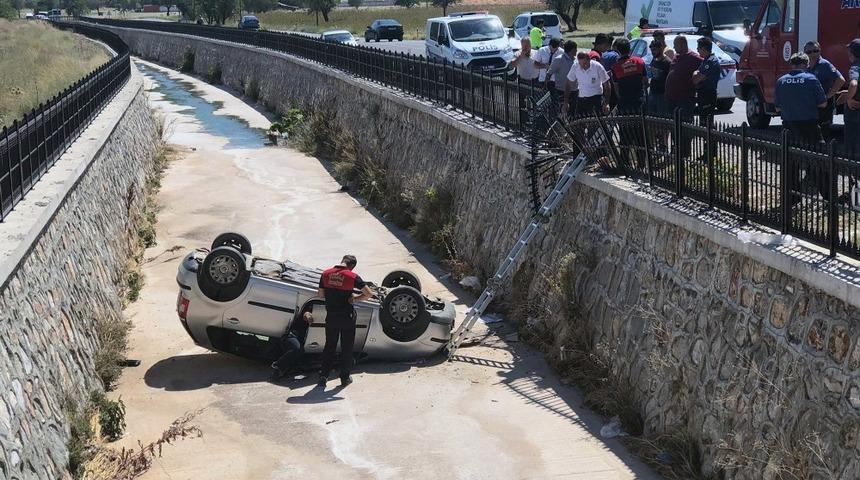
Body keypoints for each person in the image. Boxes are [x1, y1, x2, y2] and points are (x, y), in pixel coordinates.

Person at [775, 53, 828, 205]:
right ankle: (828, 196)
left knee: (791, 164)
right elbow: (823, 103)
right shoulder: (811, 79)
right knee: (818, 161)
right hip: (809, 126)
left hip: (789, 127)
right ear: (806, 64)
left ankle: (792, 198)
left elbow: (777, 107)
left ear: (791, 64)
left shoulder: (781, 81)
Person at [317, 255, 373, 387]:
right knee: (346, 348)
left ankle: (323, 376)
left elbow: (320, 294)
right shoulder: (352, 276)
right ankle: (344, 378)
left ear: (342, 261)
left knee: (329, 346)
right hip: (347, 317)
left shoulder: (325, 274)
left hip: (331, 317)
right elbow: (369, 294)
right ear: (352, 266)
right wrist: (355, 299)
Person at [804, 41, 846, 140]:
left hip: (823, 105)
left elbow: (840, 80)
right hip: (810, 104)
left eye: (815, 51)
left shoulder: (825, 65)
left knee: (823, 132)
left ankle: (824, 149)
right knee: (809, 131)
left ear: (820, 51)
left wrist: (828, 96)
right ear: (805, 53)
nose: (813, 54)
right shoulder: (805, 66)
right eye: (809, 52)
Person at [664, 35, 702, 122]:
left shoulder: (694, 58)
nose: (674, 47)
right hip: (671, 99)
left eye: (675, 45)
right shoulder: (676, 56)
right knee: (673, 125)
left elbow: (706, 68)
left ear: (683, 45)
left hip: (685, 100)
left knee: (685, 125)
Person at [563, 51, 610, 117]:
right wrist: (566, 102)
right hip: (582, 99)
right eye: (580, 64)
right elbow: (568, 84)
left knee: (597, 120)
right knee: (580, 120)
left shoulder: (597, 67)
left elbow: (607, 85)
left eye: (585, 63)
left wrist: (607, 103)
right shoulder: (575, 66)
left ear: (589, 60)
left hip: (596, 98)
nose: (583, 66)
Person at [270, 310, 313, 380]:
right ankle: (276, 366)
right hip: (290, 336)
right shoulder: (303, 314)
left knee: (301, 351)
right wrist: (309, 318)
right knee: (297, 349)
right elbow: (306, 314)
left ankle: (283, 372)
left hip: (295, 339)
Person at [610, 38, 647, 113]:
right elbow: (645, 80)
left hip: (624, 101)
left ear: (618, 51)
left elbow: (616, 87)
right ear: (630, 49)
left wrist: (620, 98)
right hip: (639, 99)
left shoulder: (615, 67)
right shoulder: (639, 61)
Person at [692, 36, 720, 123]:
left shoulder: (710, 62)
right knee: (703, 120)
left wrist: (695, 73)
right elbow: (697, 74)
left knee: (706, 122)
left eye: (698, 48)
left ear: (703, 49)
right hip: (703, 94)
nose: (697, 50)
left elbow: (696, 79)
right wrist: (696, 73)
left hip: (708, 94)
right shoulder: (706, 60)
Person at [547, 40, 578, 115]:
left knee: (573, 113)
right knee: (562, 113)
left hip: (574, 91)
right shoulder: (559, 59)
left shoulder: (576, 61)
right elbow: (549, 73)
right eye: (575, 49)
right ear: (572, 50)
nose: (577, 51)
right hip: (561, 91)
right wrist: (546, 86)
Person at [843, 39, 860, 160]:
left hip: (855, 112)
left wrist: (849, 98)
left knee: (853, 143)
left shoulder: (855, 67)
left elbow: (854, 84)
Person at [647, 41, 671, 117]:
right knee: (652, 118)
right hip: (653, 93)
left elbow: (670, 80)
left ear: (660, 49)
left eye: (654, 50)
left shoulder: (667, 62)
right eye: (651, 50)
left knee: (662, 118)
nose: (652, 52)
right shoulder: (654, 60)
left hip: (662, 95)